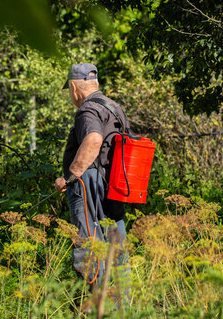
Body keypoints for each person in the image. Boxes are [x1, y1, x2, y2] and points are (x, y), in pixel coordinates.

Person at [55, 63, 129, 289]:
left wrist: (71, 176)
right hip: (113, 185)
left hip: (89, 184)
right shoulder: (114, 108)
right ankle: (121, 305)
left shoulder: (87, 110)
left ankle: (98, 304)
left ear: (74, 88)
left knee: (89, 245)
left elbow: (94, 139)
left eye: (69, 90)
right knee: (115, 244)